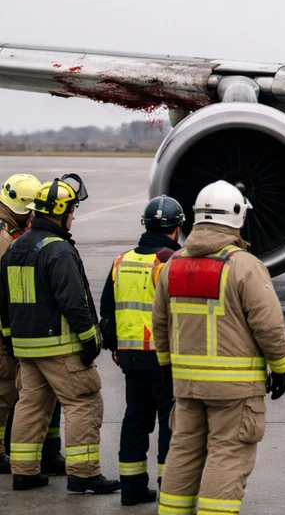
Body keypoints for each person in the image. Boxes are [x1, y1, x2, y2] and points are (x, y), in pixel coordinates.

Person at [153, 181, 285, 515]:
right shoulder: (244, 266)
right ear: (238, 216)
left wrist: (168, 365)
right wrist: (282, 368)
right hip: (235, 389)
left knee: (183, 454)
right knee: (227, 456)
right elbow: (268, 325)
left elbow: (159, 322)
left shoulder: (173, 265)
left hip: (186, 386)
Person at [0, 174, 119, 494]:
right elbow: (74, 301)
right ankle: (84, 473)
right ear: (61, 213)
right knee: (84, 402)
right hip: (59, 347)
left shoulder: (15, 247)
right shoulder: (58, 250)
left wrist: (11, 339)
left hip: (25, 349)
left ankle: (24, 472)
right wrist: (91, 338)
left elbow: (3, 300)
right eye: (71, 211)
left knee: (30, 405)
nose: (74, 217)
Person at [100, 195, 184, 506]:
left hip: (130, 357)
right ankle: (170, 487)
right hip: (163, 358)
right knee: (170, 422)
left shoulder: (121, 261)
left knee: (135, 419)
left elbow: (107, 311)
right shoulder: (170, 262)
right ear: (176, 229)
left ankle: (132, 488)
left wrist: (116, 347)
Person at [0, 174, 66, 478]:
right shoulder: (4, 238)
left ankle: (34, 453)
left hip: (16, 327)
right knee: (6, 394)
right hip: (14, 328)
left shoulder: (9, 232)